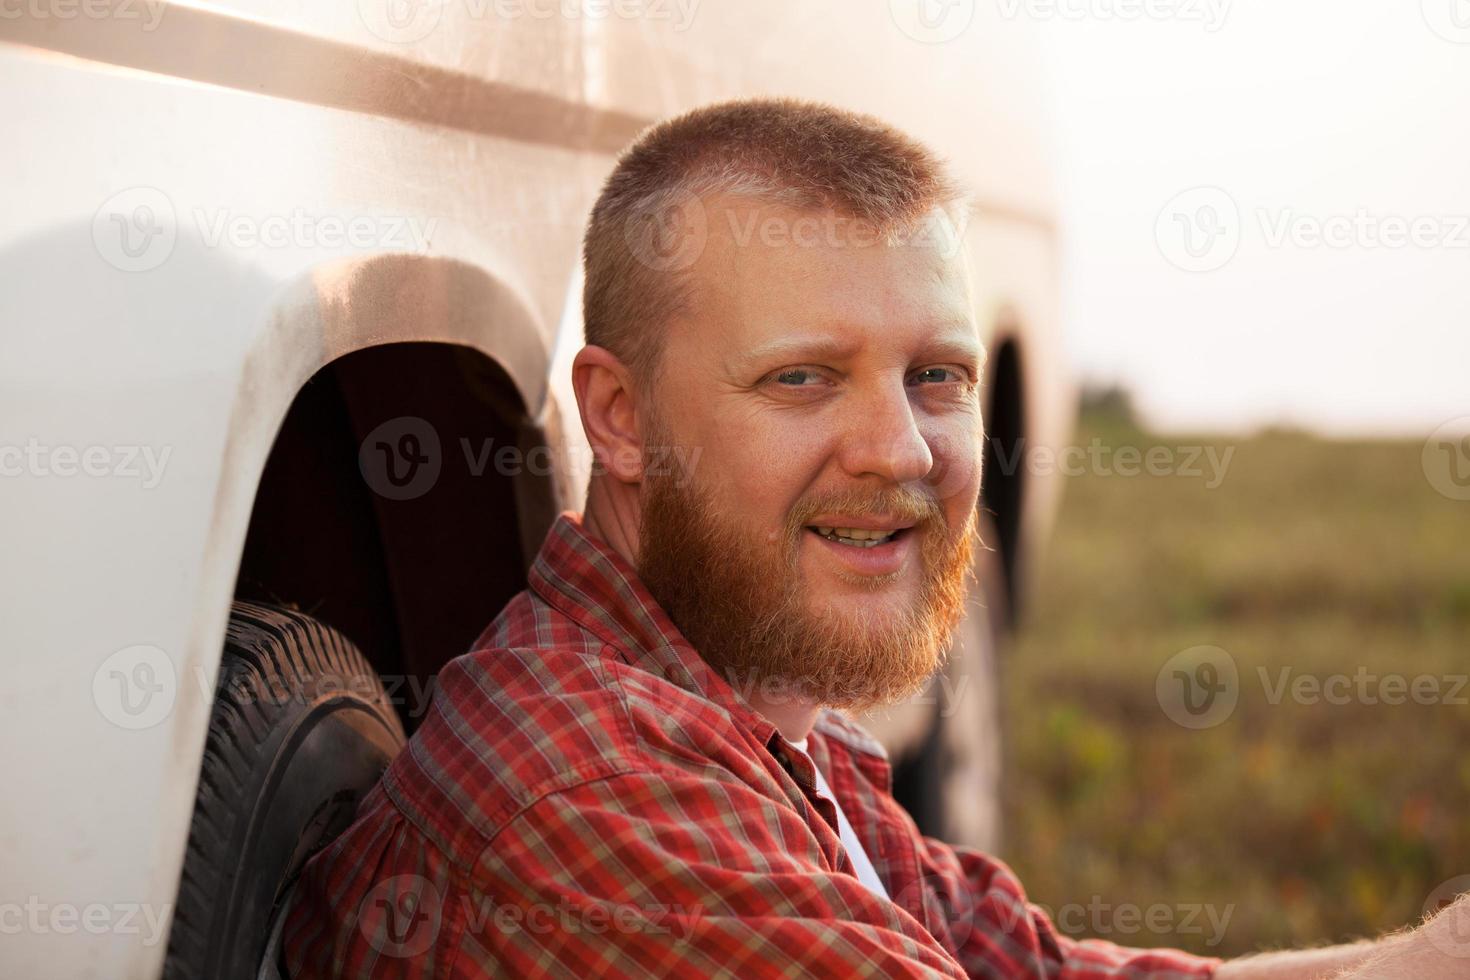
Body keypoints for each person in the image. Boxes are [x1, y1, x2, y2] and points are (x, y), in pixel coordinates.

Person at [282, 97, 1467, 978]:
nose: (902, 450)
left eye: (938, 374)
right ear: (621, 417)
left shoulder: (781, 733)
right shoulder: (588, 783)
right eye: (803, 376)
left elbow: (1046, 973)